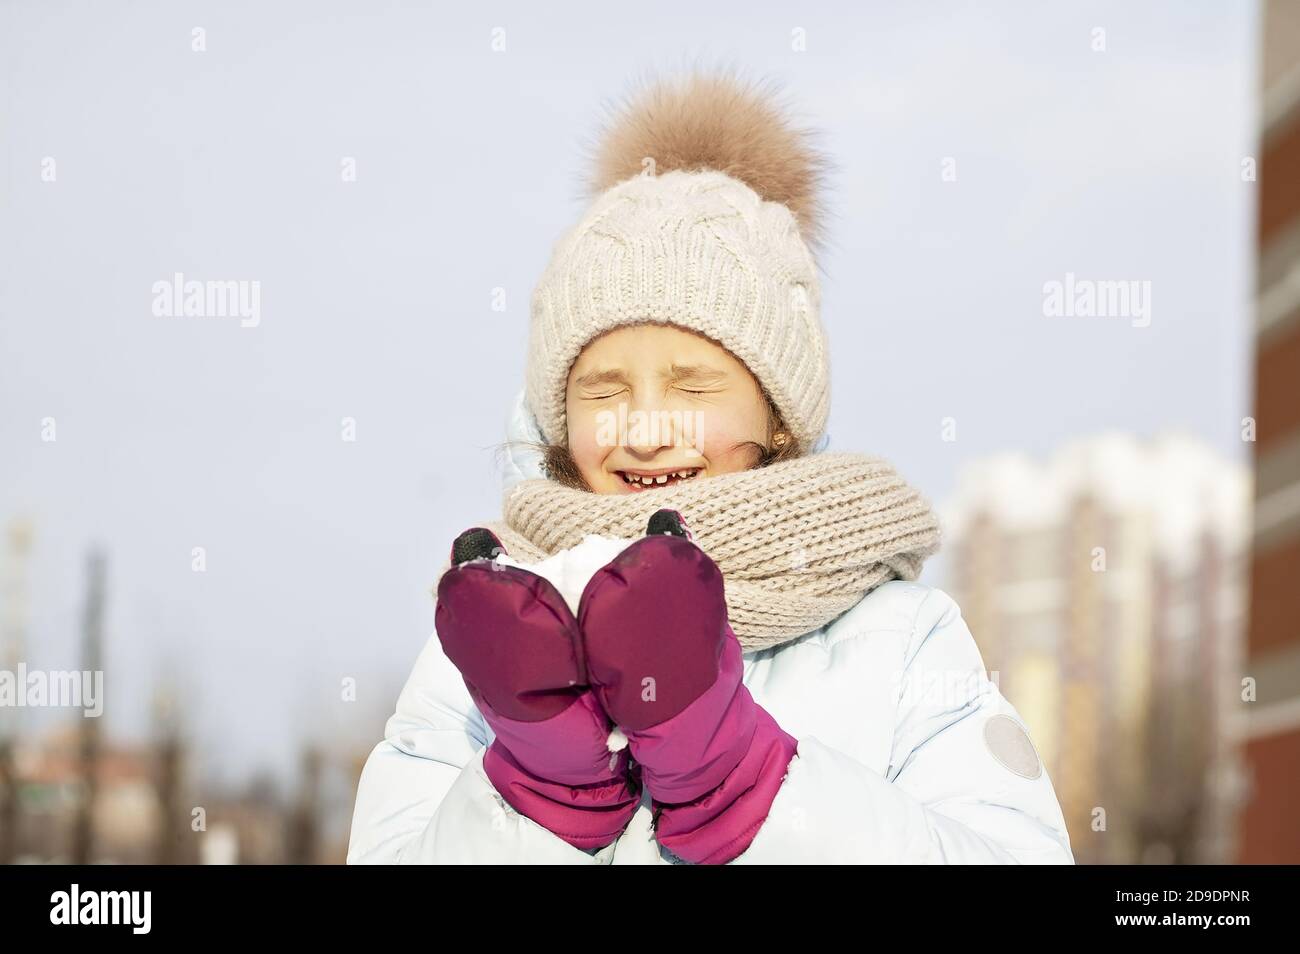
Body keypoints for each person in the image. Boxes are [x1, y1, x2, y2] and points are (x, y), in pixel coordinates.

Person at [346, 69, 1075, 864]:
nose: (648, 428)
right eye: (604, 389)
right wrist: (537, 797)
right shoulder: (486, 645)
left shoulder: (898, 640)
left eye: (694, 385)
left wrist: (749, 782)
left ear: (779, 418)